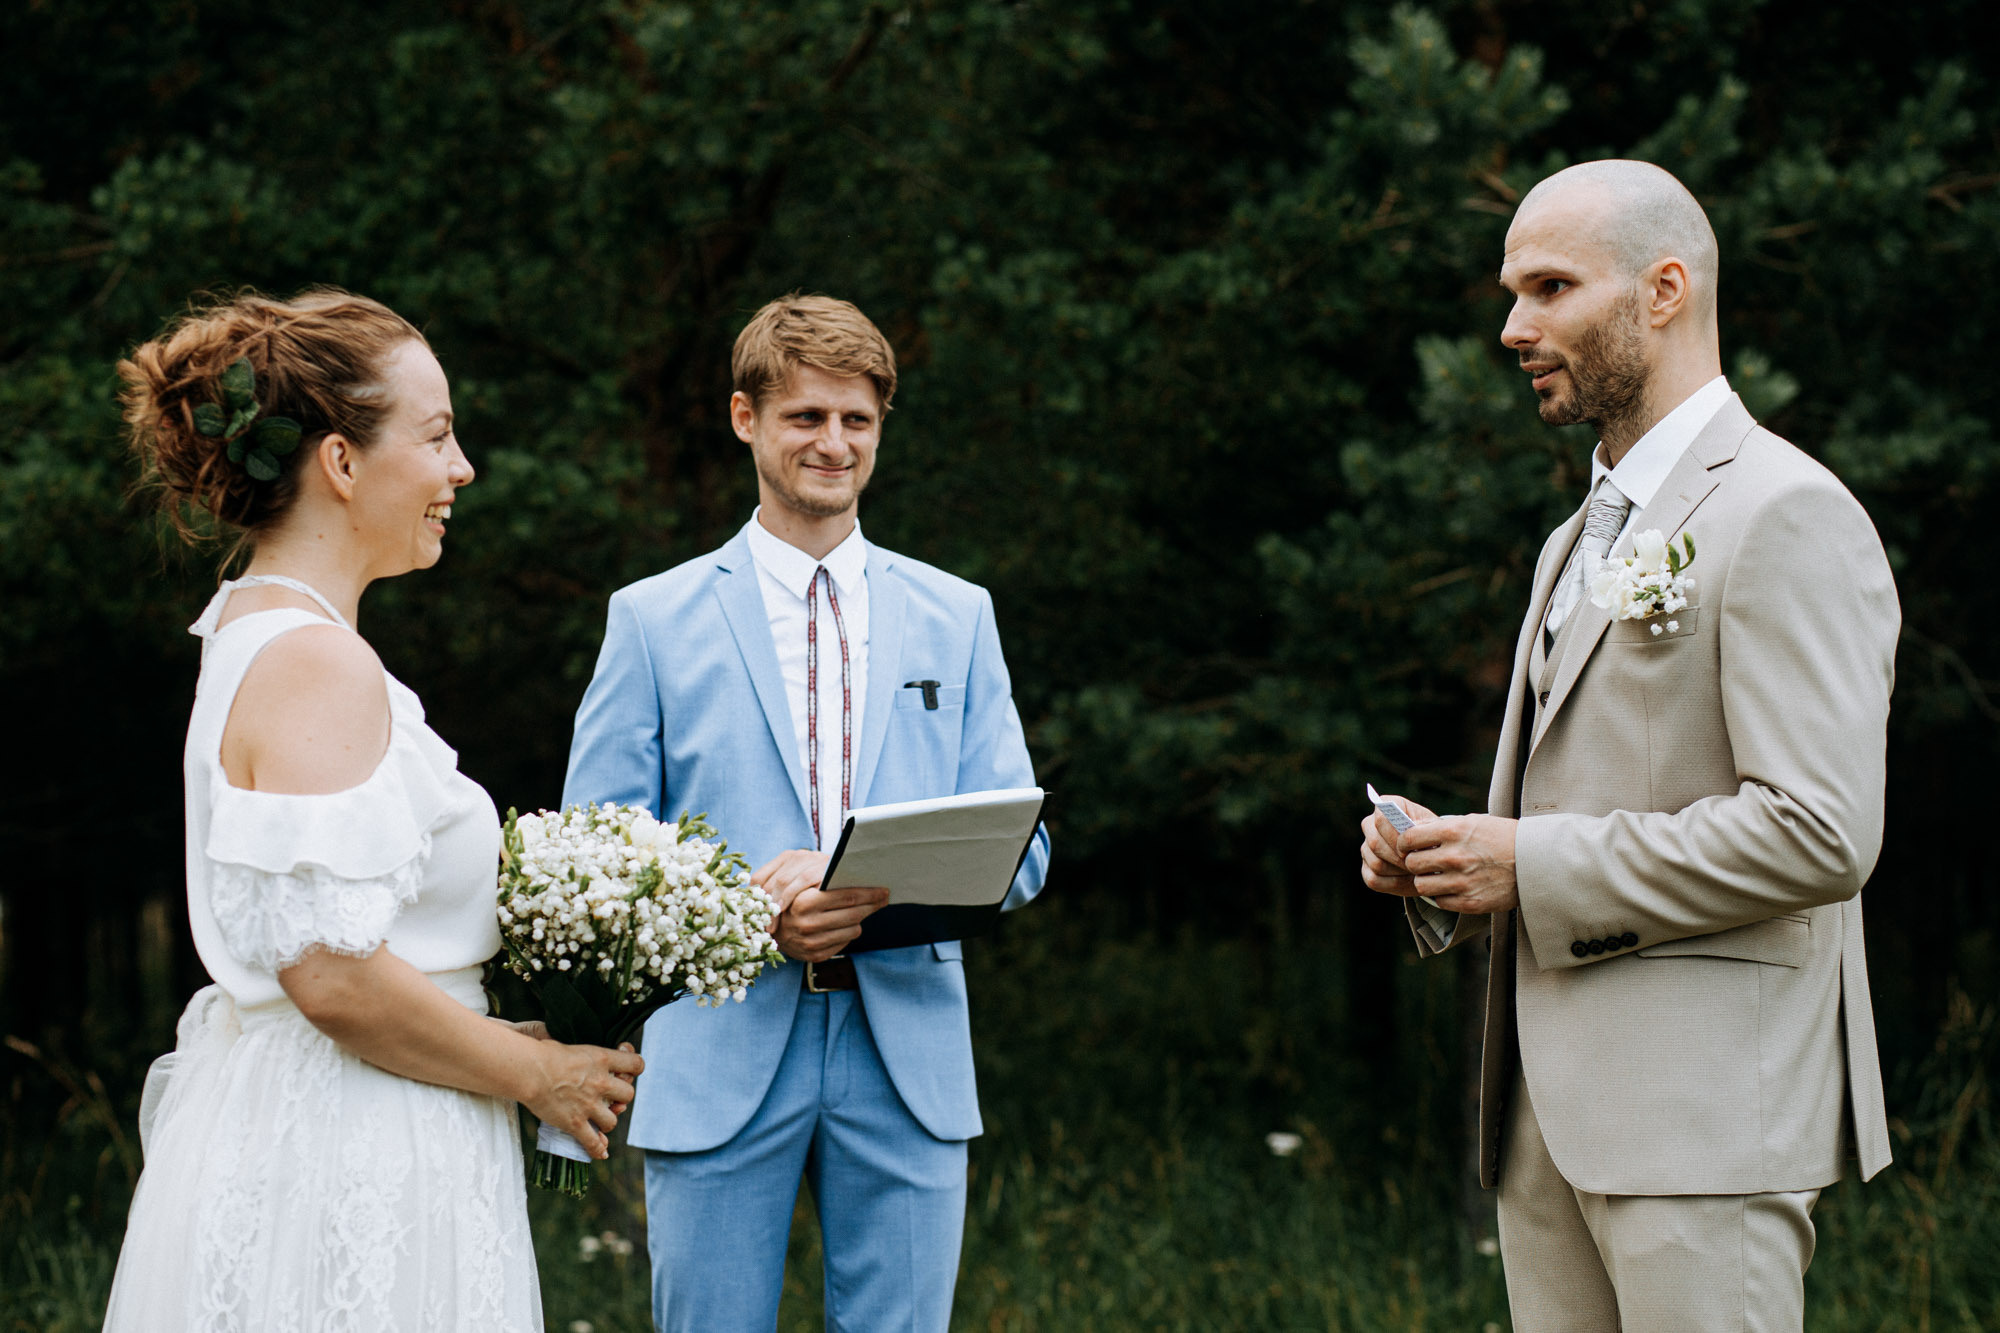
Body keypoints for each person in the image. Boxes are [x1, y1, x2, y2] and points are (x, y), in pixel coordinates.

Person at [1360, 161, 1898, 1330]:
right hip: (1542, 1126)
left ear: (1663, 290)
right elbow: (1594, 791)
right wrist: (1453, 857)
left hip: (1700, 1121)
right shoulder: (1573, 540)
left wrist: (1533, 864)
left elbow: (1819, 830)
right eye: (1510, 292)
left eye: (1550, 287)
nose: (1513, 327)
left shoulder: (1783, 511)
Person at [104, 288, 644, 1332]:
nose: (461, 469)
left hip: (353, 1113)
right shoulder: (315, 662)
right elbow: (333, 975)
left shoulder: (261, 632)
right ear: (342, 463)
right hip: (350, 1144)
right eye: (437, 436)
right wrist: (541, 1072)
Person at [563, 292, 1050, 1331]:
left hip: (907, 1048)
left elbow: (1026, 848)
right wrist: (750, 909)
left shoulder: (958, 615)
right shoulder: (650, 619)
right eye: (805, 417)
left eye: (856, 421)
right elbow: (593, 854)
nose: (833, 443)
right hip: (717, 1040)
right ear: (745, 418)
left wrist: (883, 885)